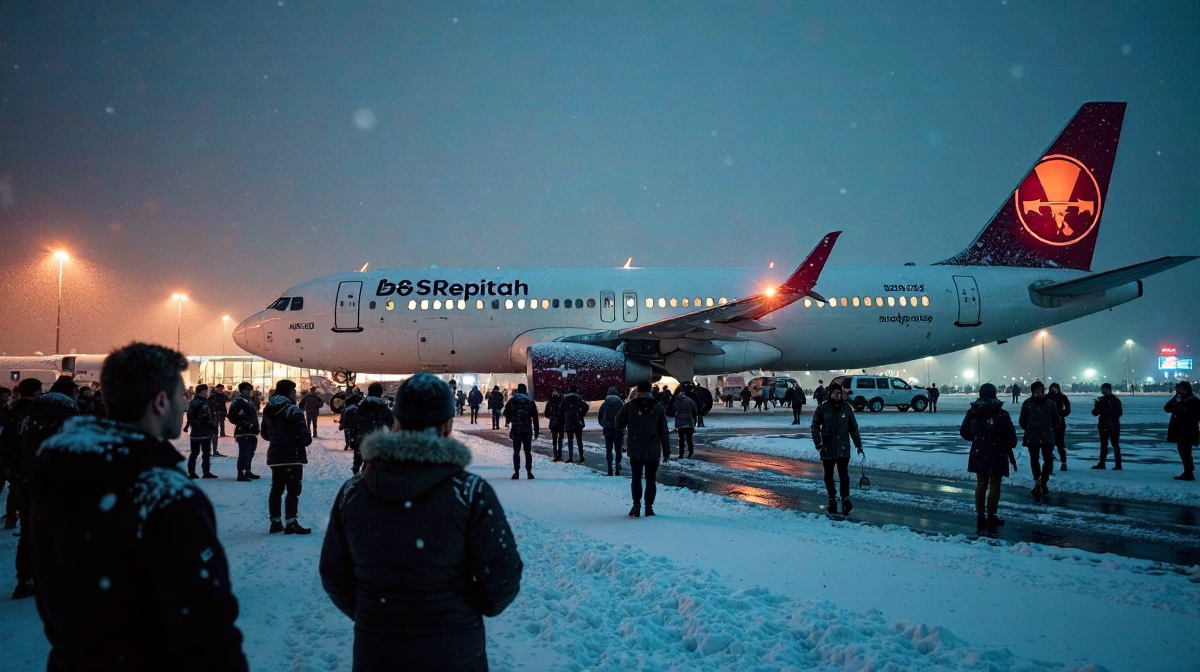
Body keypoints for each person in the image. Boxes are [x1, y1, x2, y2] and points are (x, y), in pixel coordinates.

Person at [30, 343, 248, 670]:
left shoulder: (59, 475)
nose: (184, 404)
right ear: (160, 402)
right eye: (180, 396)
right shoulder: (164, 494)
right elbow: (205, 622)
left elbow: (52, 595)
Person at [319, 372, 522, 672]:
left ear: (395, 421)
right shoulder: (470, 493)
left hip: (377, 651)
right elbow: (503, 578)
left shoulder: (353, 492)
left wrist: (376, 613)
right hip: (453, 653)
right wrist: (460, 610)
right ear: (447, 425)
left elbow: (334, 575)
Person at [12, 375, 79, 599]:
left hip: (29, 478)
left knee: (28, 531)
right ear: (72, 394)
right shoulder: (68, 414)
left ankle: (25, 578)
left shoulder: (29, 414)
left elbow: (14, 445)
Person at [960, 382, 1018, 535]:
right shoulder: (1001, 413)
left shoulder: (973, 411)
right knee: (995, 484)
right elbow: (1010, 436)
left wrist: (976, 439)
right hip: (997, 451)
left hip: (979, 451)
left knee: (981, 483)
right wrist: (1009, 444)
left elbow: (963, 431)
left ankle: (980, 515)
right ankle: (991, 515)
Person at [262, 379, 314, 534]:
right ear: (289, 391)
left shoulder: (268, 409)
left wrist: (278, 439)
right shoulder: (292, 410)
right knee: (293, 489)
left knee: (276, 488)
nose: (295, 393)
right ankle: (291, 522)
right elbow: (304, 438)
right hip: (292, 455)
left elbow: (264, 433)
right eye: (294, 390)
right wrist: (299, 440)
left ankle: (275, 522)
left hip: (275, 455)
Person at [616, 380, 671, 517]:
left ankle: (636, 505)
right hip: (653, 447)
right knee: (651, 479)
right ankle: (649, 507)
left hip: (636, 446)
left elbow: (617, 424)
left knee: (636, 478)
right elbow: (663, 430)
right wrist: (666, 449)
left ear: (638, 390)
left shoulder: (629, 406)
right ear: (650, 390)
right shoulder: (657, 407)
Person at [810, 382, 864, 515]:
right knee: (828, 476)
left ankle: (845, 500)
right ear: (830, 394)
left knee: (843, 475)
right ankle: (832, 500)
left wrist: (858, 445)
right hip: (827, 448)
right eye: (835, 393)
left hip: (843, 448)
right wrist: (819, 444)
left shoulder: (847, 408)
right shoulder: (823, 408)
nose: (838, 395)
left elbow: (853, 428)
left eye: (840, 393)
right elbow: (815, 427)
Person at [0, 379, 41, 532]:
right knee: (24, 487)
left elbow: (7, 434)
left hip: (14, 454)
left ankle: (11, 516)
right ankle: (22, 518)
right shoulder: (33, 410)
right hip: (24, 453)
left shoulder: (14, 408)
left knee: (14, 486)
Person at [1019, 381, 1061, 502]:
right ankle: (1038, 481)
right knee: (1034, 459)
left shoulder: (1049, 404)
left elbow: (1056, 420)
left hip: (1046, 435)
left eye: (1041, 390)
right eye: (1036, 390)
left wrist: (1047, 427)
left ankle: (1043, 482)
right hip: (1033, 436)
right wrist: (1031, 428)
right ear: (1032, 391)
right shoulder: (1028, 404)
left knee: (1048, 460)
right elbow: (1022, 421)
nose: (1039, 392)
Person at [347, 383, 395, 476]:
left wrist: (356, 465)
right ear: (380, 393)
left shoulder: (361, 408)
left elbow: (355, 428)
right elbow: (390, 428)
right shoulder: (384, 409)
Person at [1165, 381, 1200, 481]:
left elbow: (1192, 417)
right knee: (1183, 451)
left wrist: (1181, 408)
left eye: (1180, 389)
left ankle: (1189, 472)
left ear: (1186, 390)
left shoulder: (1194, 401)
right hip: (1179, 431)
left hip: (1188, 431)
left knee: (1185, 452)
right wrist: (1175, 399)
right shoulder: (1180, 399)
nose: (1179, 391)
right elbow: (1167, 408)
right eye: (1178, 390)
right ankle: (1187, 471)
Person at [503, 383, 539, 479]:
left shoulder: (513, 400)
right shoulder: (530, 401)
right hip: (527, 429)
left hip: (516, 429)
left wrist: (509, 420)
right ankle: (529, 471)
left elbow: (506, 412)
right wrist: (536, 430)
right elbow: (535, 417)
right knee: (527, 451)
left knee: (516, 451)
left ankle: (516, 472)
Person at [227, 382, 262, 482]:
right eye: (247, 390)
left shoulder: (250, 400)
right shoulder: (238, 400)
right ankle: (240, 473)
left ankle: (247, 470)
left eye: (250, 390)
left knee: (250, 451)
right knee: (244, 451)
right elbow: (231, 416)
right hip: (243, 431)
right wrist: (243, 422)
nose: (249, 392)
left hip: (251, 430)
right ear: (242, 390)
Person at [186, 384, 218, 480]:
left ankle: (206, 471)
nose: (207, 392)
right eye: (206, 391)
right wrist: (204, 424)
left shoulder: (205, 401)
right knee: (195, 452)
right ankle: (192, 472)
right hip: (198, 431)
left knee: (206, 452)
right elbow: (192, 417)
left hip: (205, 431)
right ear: (202, 391)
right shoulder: (196, 402)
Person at [1091, 383, 1124, 470]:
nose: (1102, 391)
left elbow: (1119, 413)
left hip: (1113, 426)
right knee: (1104, 445)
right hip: (1104, 425)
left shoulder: (1115, 400)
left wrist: (1111, 416)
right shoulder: (1100, 400)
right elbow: (1095, 413)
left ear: (1108, 389)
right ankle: (1102, 463)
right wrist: (1097, 409)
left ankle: (1118, 465)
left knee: (1115, 445)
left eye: (1103, 389)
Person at [597, 387, 625, 476]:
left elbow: (600, 417)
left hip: (608, 429)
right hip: (619, 430)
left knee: (609, 450)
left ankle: (610, 470)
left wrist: (604, 425)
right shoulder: (621, 404)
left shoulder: (605, 404)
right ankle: (617, 467)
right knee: (618, 449)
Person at [1046, 382, 1072, 470]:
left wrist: (1062, 414)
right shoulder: (1047, 397)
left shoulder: (1062, 397)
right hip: (1049, 423)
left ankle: (1063, 462)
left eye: (1055, 388)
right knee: (1049, 444)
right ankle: (1049, 461)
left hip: (1059, 423)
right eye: (1052, 388)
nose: (1054, 390)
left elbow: (1067, 407)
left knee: (1060, 444)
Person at [561, 385, 589, 464]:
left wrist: (566, 415)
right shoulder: (578, 398)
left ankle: (570, 457)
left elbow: (561, 410)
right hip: (577, 422)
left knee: (570, 440)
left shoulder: (565, 399)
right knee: (579, 439)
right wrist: (581, 415)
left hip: (569, 421)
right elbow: (586, 407)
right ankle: (581, 456)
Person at [671, 388, 698, 459]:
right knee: (689, 439)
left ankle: (681, 454)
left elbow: (673, 411)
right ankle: (690, 452)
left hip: (680, 423)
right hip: (689, 422)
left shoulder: (676, 402)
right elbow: (694, 411)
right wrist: (694, 421)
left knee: (681, 440)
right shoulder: (690, 401)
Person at [208, 383, 229, 456]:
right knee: (212, 434)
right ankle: (210, 450)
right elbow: (209, 406)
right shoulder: (212, 395)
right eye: (221, 389)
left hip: (220, 415)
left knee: (215, 433)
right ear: (217, 388)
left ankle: (214, 450)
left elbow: (227, 399)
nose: (222, 390)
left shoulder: (221, 395)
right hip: (214, 416)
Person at [544, 389, 564, 462]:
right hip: (561, 422)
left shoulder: (550, 402)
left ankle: (555, 455)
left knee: (554, 440)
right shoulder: (562, 401)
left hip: (553, 423)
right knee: (560, 440)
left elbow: (546, 414)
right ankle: (560, 455)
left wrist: (551, 416)